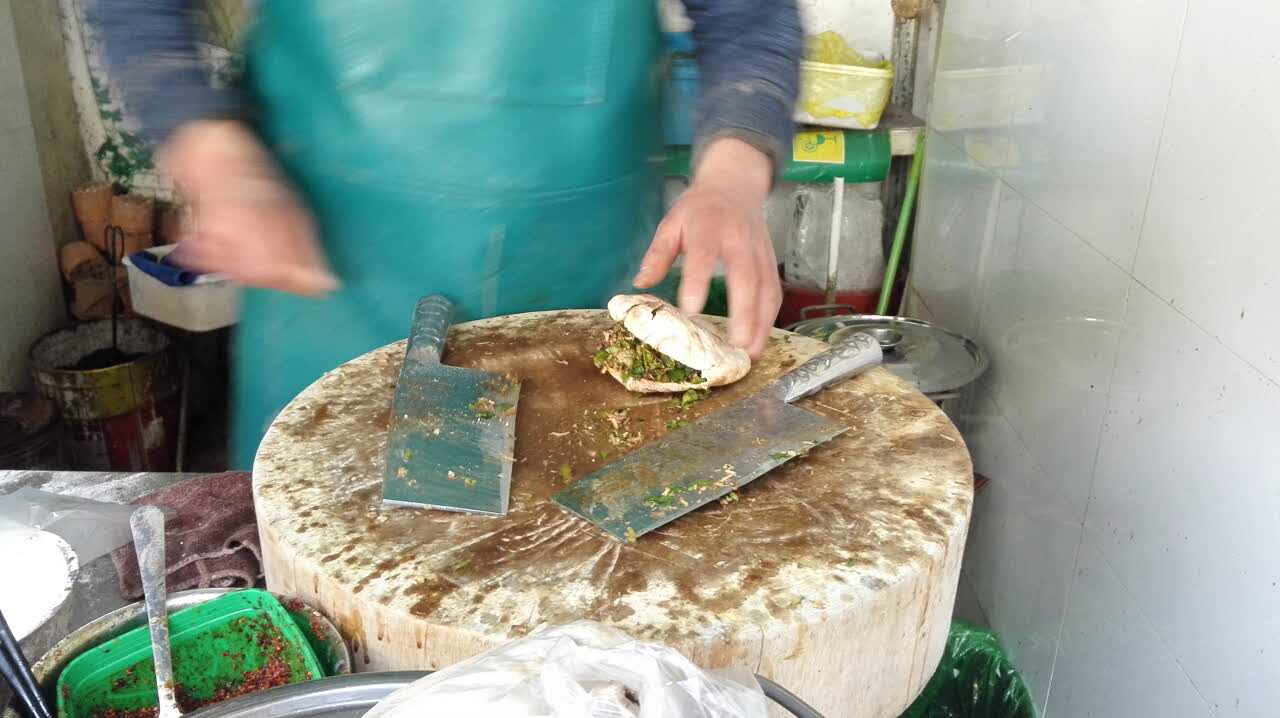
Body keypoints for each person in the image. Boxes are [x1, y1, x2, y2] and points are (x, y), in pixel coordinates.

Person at [97, 0, 803, 469]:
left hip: (579, 275)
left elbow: (748, 14)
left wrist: (732, 174)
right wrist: (214, 154)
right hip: (330, 265)